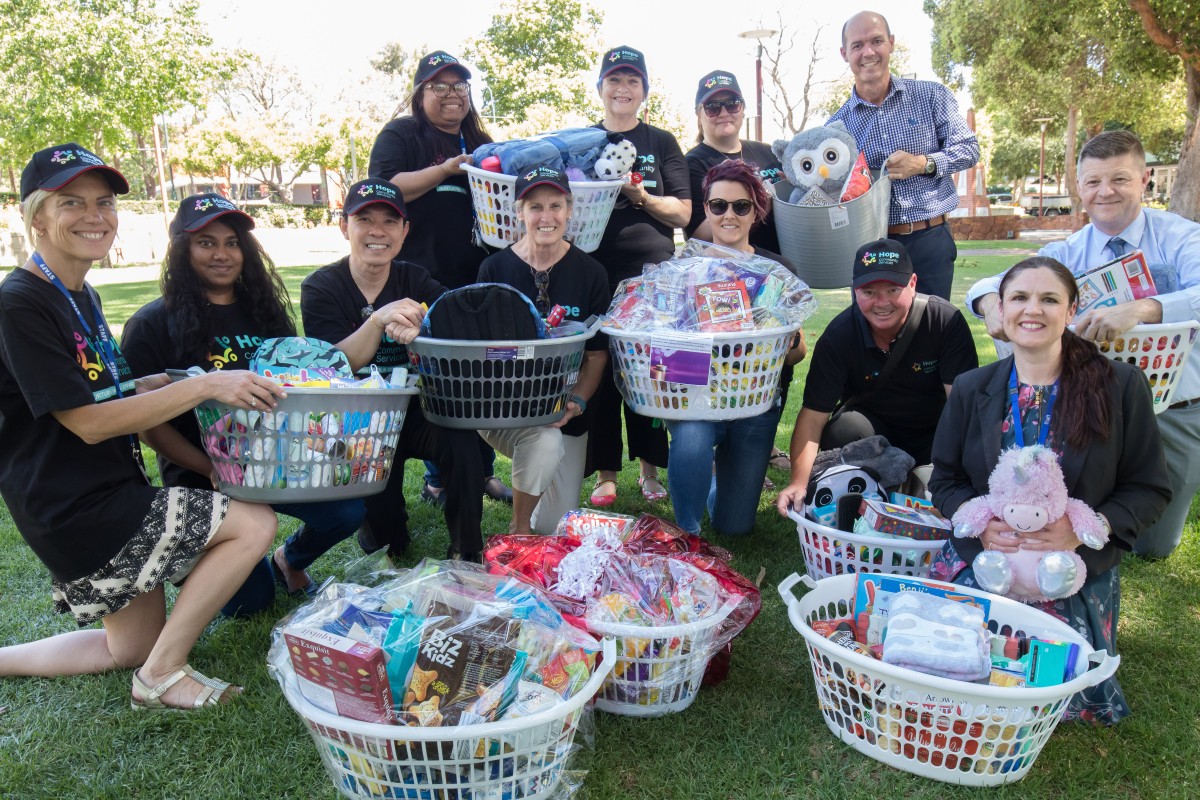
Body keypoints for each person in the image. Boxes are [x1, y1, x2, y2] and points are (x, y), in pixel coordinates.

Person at [0, 144, 279, 709]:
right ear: (36, 218)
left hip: (106, 489)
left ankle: (132, 663)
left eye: (103, 202)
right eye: (70, 203)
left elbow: (94, 391)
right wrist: (204, 385)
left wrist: (148, 385)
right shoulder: (21, 303)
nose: (94, 216)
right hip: (74, 504)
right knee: (253, 523)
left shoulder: (78, 292)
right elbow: (87, 423)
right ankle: (162, 677)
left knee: (128, 646)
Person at [929, 257, 1170, 725]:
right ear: (1000, 309)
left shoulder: (1120, 386)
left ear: (1072, 308)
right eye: (1019, 297)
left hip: (1067, 567)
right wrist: (981, 526)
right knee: (944, 668)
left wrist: (1083, 532)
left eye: (1049, 299)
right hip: (985, 558)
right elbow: (944, 481)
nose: (1031, 310)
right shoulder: (971, 387)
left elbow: (1149, 488)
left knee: (1051, 698)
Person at [120, 194, 366, 614]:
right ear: (181, 248)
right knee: (248, 604)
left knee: (347, 510)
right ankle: (208, 564)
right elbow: (147, 424)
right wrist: (209, 467)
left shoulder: (265, 314)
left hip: (277, 463)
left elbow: (298, 391)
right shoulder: (150, 325)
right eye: (206, 242)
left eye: (232, 242)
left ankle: (290, 560)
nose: (222, 254)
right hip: (204, 475)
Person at [966, 130, 1200, 559]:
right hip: (1094, 409)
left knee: (1153, 546)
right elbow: (997, 282)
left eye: (1119, 180)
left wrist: (1145, 308)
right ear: (1079, 187)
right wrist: (987, 303)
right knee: (1063, 516)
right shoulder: (1070, 251)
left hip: (1174, 406)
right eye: (1093, 182)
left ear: (1145, 179)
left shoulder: (1182, 237)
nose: (1104, 192)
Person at [300, 178, 485, 562]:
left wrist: (424, 331)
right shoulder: (321, 286)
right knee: (388, 544)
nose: (377, 231)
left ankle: (466, 552)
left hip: (418, 411)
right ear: (344, 227)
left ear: (404, 231)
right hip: (358, 422)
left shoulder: (415, 279)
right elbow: (337, 364)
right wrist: (378, 321)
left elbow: (455, 332)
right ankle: (385, 523)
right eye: (364, 219)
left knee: (462, 441)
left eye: (390, 221)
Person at [367, 49, 511, 507]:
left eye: (459, 86)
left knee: (479, 376)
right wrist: (446, 170)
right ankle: (439, 476)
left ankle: (480, 471)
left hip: (474, 274)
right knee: (435, 375)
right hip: (419, 276)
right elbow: (386, 189)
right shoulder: (402, 134)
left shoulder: (479, 139)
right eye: (439, 86)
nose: (451, 95)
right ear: (419, 93)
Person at [775, 238, 977, 515]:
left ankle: (923, 481)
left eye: (893, 289)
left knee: (949, 477)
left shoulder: (944, 321)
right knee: (844, 427)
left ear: (913, 283)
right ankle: (881, 487)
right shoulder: (839, 336)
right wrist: (798, 483)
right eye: (869, 292)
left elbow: (964, 407)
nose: (881, 303)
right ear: (854, 290)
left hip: (934, 432)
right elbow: (813, 416)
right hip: (872, 436)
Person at [669, 160, 807, 535]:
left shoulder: (777, 270)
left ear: (756, 211)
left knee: (734, 526)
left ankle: (716, 488)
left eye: (740, 206)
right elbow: (665, 350)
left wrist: (772, 347)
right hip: (698, 395)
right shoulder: (682, 269)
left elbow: (799, 352)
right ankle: (687, 532)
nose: (728, 215)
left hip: (756, 400)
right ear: (707, 208)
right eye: (718, 205)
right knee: (692, 437)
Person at [476, 166, 610, 534]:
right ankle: (518, 530)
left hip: (566, 412)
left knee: (555, 525)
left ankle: (537, 491)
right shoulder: (493, 267)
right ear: (519, 212)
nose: (546, 216)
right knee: (543, 441)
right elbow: (480, 350)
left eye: (556, 205)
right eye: (535, 206)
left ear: (569, 211)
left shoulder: (591, 272)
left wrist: (578, 402)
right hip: (504, 413)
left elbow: (597, 355)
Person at [586, 45, 692, 507]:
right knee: (600, 365)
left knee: (652, 372)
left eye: (632, 80)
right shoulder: (583, 140)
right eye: (615, 79)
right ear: (601, 88)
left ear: (644, 91)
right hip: (593, 270)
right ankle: (606, 473)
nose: (623, 88)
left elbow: (683, 211)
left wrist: (641, 197)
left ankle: (650, 469)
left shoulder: (661, 142)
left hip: (651, 274)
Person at [828, 11, 979, 301]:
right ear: (844, 53)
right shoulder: (836, 128)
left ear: (891, 44)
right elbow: (832, 191)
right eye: (857, 45)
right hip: (871, 247)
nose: (868, 52)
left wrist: (923, 163)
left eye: (876, 41)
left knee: (933, 333)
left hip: (930, 238)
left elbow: (969, 149)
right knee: (875, 338)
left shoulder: (932, 96)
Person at [683, 70, 783, 253]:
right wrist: (759, 204)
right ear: (699, 115)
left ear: (743, 110)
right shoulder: (692, 164)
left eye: (732, 105)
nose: (723, 113)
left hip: (780, 266)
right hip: (733, 273)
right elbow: (697, 236)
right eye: (713, 107)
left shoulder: (768, 152)